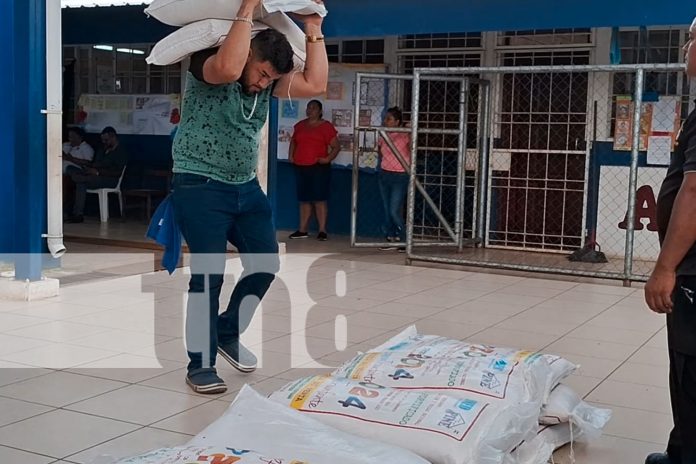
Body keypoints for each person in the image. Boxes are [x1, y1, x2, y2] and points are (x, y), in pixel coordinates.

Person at [170, 0, 328, 394]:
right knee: (208, 276)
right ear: (250, 54)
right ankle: (199, 364)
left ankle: (226, 332)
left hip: (244, 186)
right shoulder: (206, 63)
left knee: (265, 265)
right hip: (199, 184)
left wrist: (312, 26)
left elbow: (316, 84)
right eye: (260, 73)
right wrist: (248, 8)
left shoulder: (269, 83)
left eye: (269, 78)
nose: (261, 83)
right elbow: (227, 68)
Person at [644, 16, 696, 464]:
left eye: (693, 40)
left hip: (695, 273)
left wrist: (666, 266)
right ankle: (680, 450)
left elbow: (695, 191)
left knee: (690, 370)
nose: (686, 50)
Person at [288, 99, 339, 241]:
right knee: (304, 199)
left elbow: (336, 146)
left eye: (313, 108)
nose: (310, 110)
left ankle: (322, 230)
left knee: (319, 198)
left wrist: (327, 158)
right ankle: (302, 229)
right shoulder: (300, 125)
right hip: (301, 165)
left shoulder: (326, 127)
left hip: (318, 167)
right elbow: (294, 141)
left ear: (320, 111)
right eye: (308, 108)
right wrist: (291, 155)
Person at [65, 126, 128, 223]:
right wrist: (89, 168)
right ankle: (77, 214)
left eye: (106, 140)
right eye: (102, 140)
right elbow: (95, 163)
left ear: (113, 137)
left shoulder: (121, 151)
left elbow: (118, 172)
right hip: (93, 175)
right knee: (75, 174)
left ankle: (77, 213)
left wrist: (98, 172)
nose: (104, 142)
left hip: (109, 179)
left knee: (80, 180)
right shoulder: (102, 150)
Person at [377, 107, 411, 252]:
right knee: (386, 209)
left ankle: (404, 239)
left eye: (389, 119)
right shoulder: (383, 135)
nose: (386, 121)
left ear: (397, 122)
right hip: (385, 173)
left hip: (400, 174)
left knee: (394, 210)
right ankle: (390, 237)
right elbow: (380, 152)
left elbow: (412, 147)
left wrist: (410, 129)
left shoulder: (404, 135)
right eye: (385, 118)